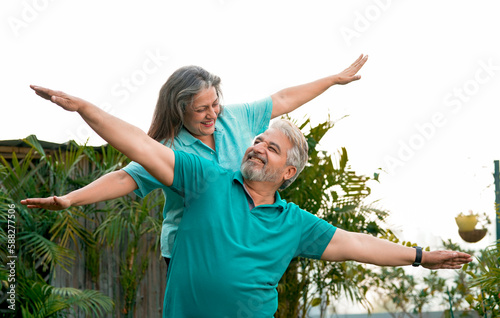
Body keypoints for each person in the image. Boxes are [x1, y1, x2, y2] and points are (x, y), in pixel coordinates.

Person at [27, 86, 473, 317]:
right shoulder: (206, 180)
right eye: (257, 140)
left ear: (288, 172)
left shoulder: (294, 223)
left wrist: (420, 256)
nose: (257, 146)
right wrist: (85, 108)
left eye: (271, 148)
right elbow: (140, 150)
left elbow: (358, 244)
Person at [21, 55, 368, 272]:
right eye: (201, 109)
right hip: (190, 248)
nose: (211, 114)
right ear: (179, 109)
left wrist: (333, 80)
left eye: (214, 103)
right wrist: (70, 199)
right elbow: (124, 179)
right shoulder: (169, 148)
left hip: (236, 237)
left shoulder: (235, 117)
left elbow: (283, 98)